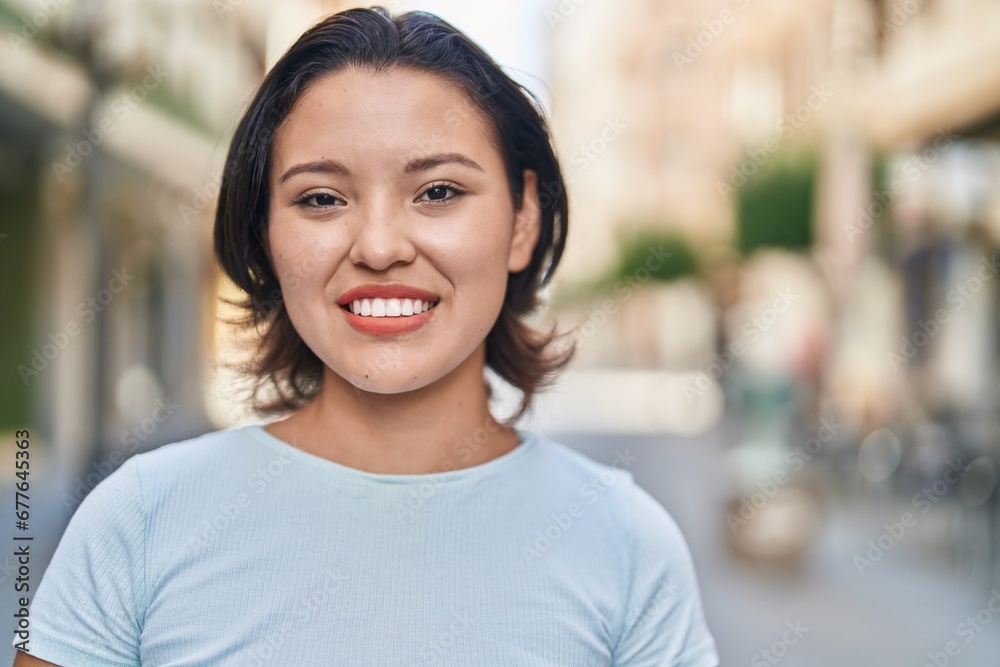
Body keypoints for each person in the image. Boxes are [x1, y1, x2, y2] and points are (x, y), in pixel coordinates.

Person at [12, 7, 718, 666]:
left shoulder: (627, 546)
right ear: (265, 232)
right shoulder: (138, 522)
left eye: (439, 191)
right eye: (321, 197)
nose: (379, 246)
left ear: (523, 219)